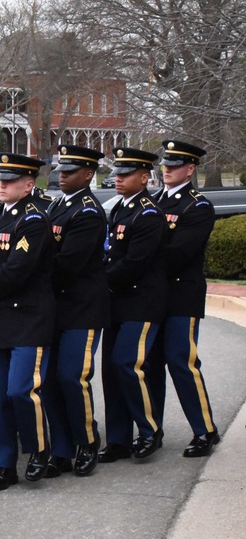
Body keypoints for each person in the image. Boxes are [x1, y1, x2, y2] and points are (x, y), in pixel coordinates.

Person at [0, 153, 55, 491]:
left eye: (9, 180)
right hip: (1, 319)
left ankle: (38, 450)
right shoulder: (0, 214)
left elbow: (18, 269)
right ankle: (4, 464)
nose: (1, 184)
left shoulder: (33, 219)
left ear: (29, 184)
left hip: (29, 317)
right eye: (0, 178)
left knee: (21, 390)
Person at [147, 140, 220, 457]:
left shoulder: (198, 206)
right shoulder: (152, 202)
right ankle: (152, 430)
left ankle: (205, 430)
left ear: (190, 169)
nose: (167, 170)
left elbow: (179, 253)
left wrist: (138, 259)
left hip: (180, 296)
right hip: (152, 296)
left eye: (174, 166)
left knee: (181, 362)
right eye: (165, 165)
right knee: (149, 365)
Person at [40, 144, 110, 478]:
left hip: (81, 309)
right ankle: (62, 449)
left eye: (70, 171)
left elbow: (68, 264)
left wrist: (29, 273)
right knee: (51, 381)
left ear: (88, 174)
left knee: (72, 378)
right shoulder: (58, 205)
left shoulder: (87, 212)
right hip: (56, 308)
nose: (62, 175)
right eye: (61, 170)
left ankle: (87, 441)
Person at [99, 147, 167, 463]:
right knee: (111, 371)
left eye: (126, 174)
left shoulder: (149, 214)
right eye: (117, 173)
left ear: (145, 177)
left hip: (141, 303)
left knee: (127, 363)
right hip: (118, 302)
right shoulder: (121, 210)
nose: (119, 179)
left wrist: (98, 281)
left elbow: (134, 263)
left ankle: (150, 430)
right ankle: (118, 440)